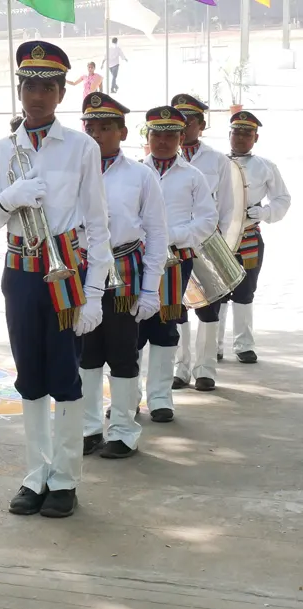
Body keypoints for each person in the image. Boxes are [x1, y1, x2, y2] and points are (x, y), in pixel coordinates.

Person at [0, 41, 111, 518]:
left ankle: (66, 479)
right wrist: (9, 197)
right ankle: (35, 475)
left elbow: (98, 223)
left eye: (47, 87)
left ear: (60, 94)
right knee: (29, 377)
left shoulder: (81, 146)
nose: (37, 95)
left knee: (66, 378)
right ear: (20, 90)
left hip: (66, 276)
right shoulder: (2, 149)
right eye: (29, 85)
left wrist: (95, 290)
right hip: (20, 274)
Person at [78, 93, 167, 459]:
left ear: (123, 131)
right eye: (90, 128)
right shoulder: (74, 172)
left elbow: (157, 234)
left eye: (105, 128)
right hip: (83, 267)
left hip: (124, 268)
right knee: (85, 353)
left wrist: (150, 290)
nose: (97, 135)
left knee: (122, 351)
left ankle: (124, 431)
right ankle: (87, 427)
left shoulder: (141, 176)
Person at [136, 106, 217, 424]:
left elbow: (208, 220)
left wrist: (173, 235)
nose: (163, 141)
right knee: (132, 328)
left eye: (170, 135)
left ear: (182, 138)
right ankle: (130, 399)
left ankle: (160, 399)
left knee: (165, 328)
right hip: (137, 260)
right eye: (157, 134)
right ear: (148, 136)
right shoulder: (135, 171)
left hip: (174, 262)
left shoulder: (193, 176)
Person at [169, 94, 234, 392]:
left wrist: (218, 242)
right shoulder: (164, 157)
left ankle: (205, 370)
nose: (183, 127)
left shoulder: (217, 160)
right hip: (174, 245)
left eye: (189, 120)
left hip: (207, 243)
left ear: (201, 124)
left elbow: (228, 207)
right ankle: (181, 368)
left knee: (209, 308)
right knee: (177, 308)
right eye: (178, 120)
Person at [218, 112, 290, 364]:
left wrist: (265, 212)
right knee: (217, 291)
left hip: (248, 236)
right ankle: (214, 346)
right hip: (217, 238)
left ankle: (244, 345)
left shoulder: (265, 166)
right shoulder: (216, 162)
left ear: (255, 138)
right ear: (229, 134)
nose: (240, 137)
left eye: (246, 133)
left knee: (245, 291)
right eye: (236, 132)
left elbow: (283, 199)